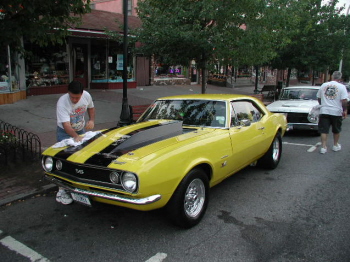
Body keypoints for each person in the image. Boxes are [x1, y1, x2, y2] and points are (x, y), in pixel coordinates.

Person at [56, 80, 95, 204]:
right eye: (72, 97)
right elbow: (66, 125)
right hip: (65, 132)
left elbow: (91, 107)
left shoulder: (87, 96)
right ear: (68, 93)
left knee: (80, 158)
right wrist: (75, 137)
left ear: (82, 93)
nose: (74, 100)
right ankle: (61, 190)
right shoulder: (62, 102)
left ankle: (79, 185)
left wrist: (91, 120)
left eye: (77, 98)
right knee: (65, 159)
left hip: (80, 129)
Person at [316, 71, 348, 154]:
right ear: (340, 78)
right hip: (336, 111)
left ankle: (323, 147)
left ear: (332, 77)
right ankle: (335, 145)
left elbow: (319, 97)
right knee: (336, 129)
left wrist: (322, 104)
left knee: (324, 130)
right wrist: (344, 110)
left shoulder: (324, 85)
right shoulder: (342, 87)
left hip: (324, 110)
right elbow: (344, 100)